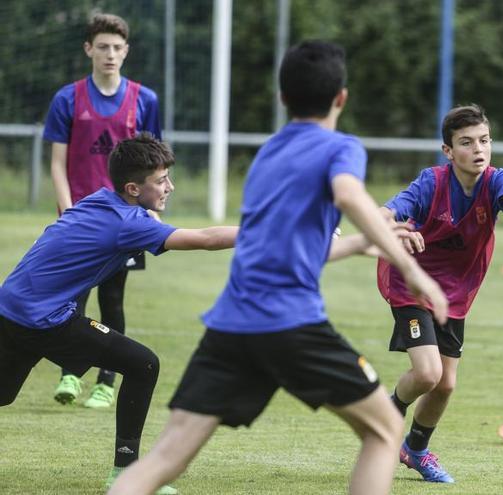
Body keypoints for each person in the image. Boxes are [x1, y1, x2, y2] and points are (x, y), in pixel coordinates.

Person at [106, 40, 448, 495]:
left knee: (165, 458)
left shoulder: (267, 156)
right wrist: (413, 269)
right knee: (384, 429)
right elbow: (347, 194)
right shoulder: (340, 147)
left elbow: (290, 249)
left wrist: (367, 244)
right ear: (341, 97)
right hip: (291, 324)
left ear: (283, 98)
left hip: (230, 325)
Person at [0, 133, 238, 494]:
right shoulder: (129, 224)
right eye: (160, 181)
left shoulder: (101, 199)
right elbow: (205, 239)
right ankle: (127, 473)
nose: (169, 186)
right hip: (43, 320)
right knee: (144, 364)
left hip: (9, 308)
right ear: (132, 187)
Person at [378, 104, 503, 483]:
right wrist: (396, 225)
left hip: (454, 296)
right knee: (429, 373)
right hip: (411, 285)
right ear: (448, 151)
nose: (478, 149)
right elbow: (387, 212)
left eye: (483, 140)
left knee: (446, 384)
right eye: (466, 143)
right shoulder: (430, 183)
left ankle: (415, 451)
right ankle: (384, 416)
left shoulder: (494, 181)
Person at [43, 12, 163, 408]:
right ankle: (71, 375)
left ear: (126, 51)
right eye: (103, 47)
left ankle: (106, 383)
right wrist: (67, 210)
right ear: (88, 49)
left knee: (113, 300)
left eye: (117, 47)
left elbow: (154, 165)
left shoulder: (144, 100)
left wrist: (151, 213)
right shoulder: (68, 98)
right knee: (72, 300)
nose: (110, 54)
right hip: (80, 220)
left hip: (125, 222)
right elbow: (58, 163)